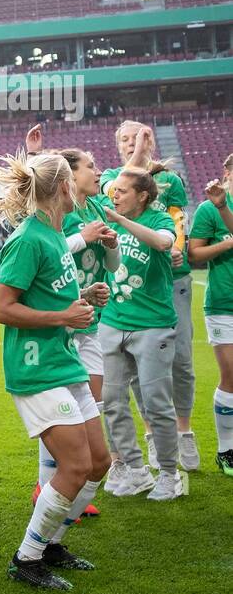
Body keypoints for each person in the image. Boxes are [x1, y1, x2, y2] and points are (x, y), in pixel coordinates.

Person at [0, 152, 110, 590]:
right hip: (37, 370)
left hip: (65, 363)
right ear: (63, 188)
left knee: (98, 462)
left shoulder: (56, 235)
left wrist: (84, 297)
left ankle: (51, 543)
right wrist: (62, 318)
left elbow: (48, 295)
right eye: (74, 181)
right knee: (74, 466)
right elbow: (0, 309)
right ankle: (27, 559)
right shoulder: (29, 238)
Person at [26, 127, 118, 518]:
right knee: (63, 412)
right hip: (59, 327)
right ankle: (49, 487)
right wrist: (83, 236)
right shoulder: (59, 217)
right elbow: (48, 252)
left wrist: (111, 247)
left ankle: (67, 489)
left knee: (88, 407)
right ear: (70, 177)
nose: (98, 173)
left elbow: (114, 267)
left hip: (88, 322)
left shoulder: (96, 209)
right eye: (90, 167)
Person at [100, 122, 197, 469]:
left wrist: (176, 250)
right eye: (124, 139)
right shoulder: (113, 178)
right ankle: (153, 435)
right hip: (131, 290)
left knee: (182, 360)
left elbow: (176, 221)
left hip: (173, 276)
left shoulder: (170, 179)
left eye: (139, 138)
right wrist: (138, 156)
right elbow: (119, 190)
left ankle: (183, 432)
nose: (131, 144)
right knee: (137, 369)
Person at [99, 168, 184, 501]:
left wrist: (122, 223)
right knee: (112, 402)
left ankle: (169, 473)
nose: (114, 195)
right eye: (113, 190)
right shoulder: (111, 215)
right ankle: (135, 470)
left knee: (156, 404)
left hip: (152, 325)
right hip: (113, 321)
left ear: (143, 196)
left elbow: (165, 243)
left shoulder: (160, 219)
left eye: (122, 191)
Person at [188, 157, 233, 477]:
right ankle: (226, 449)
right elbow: (194, 254)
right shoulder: (209, 209)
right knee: (231, 375)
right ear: (227, 173)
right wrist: (227, 245)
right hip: (223, 303)